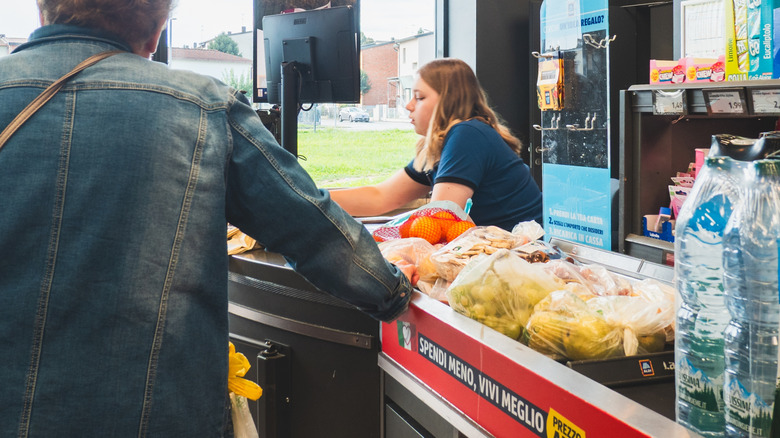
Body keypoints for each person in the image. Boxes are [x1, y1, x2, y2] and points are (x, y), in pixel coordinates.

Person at [0, 1, 412, 436]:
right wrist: (392, 291)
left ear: (43, 13)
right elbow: (312, 228)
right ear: (157, 32)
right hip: (156, 412)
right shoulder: (203, 106)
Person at [330, 58, 543, 231]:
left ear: (447, 101)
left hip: (526, 257)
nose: (408, 106)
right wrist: (309, 198)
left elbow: (439, 222)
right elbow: (381, 197)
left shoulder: (468, 135)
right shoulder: (439, 145)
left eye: (419, 97)